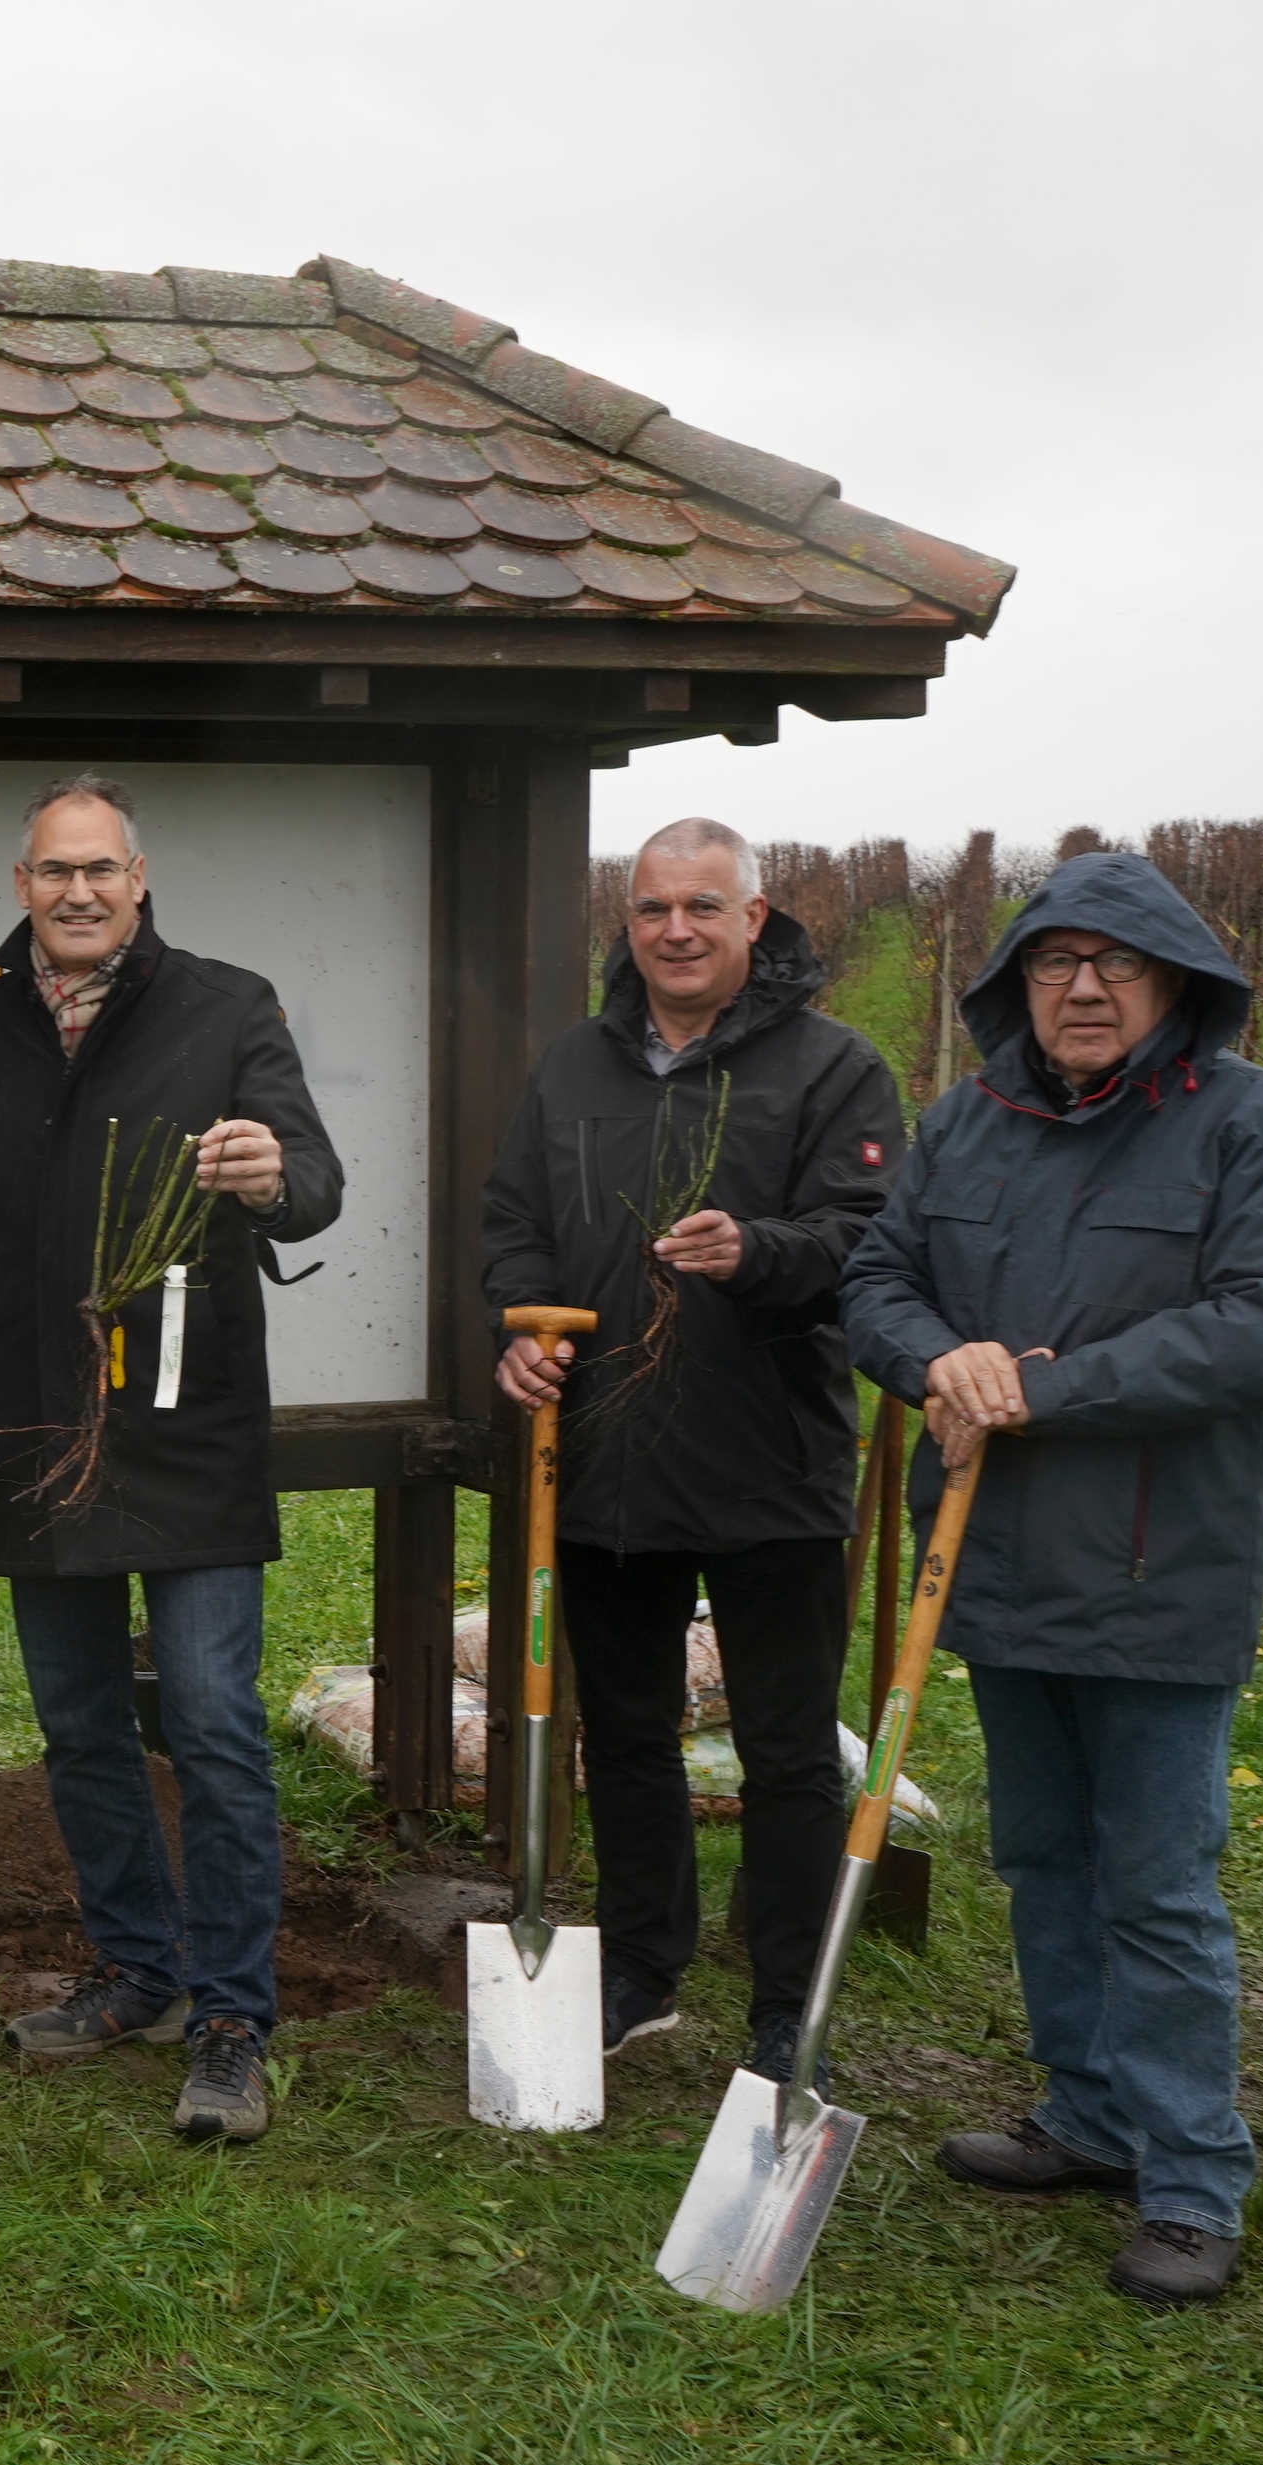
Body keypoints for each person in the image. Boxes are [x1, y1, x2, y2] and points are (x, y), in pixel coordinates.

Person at [839, 849, 1263, 2309]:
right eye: (1053, 965)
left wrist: (1044, 1389)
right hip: (987, 1562)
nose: (1080, 988)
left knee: (1161, 1884)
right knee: (1043, 1861)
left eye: (1112, 966)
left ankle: (1192, 2177)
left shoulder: (1257, 1130)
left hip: (1157, 1571)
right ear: (1017, 986)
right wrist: (936, 1357)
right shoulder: (968, 1123)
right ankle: (1088, 2114)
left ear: (1175, 985)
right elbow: (879, 1280)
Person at [0, 773, 343, 2146]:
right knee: (79, 1721)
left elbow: (313, 1185)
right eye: (51, 872)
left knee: (210, 1720)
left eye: (101, 870)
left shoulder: (227, 1007)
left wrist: (264, 1173)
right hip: (29, 1414)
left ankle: (234, 2016)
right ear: (22, 889)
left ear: (139, 879)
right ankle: (138, 1969)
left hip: (185, 1422)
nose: (77, 893)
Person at [480, 818, 902, 2080]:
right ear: (630, 922)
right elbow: (514, 1221)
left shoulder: (834, 1069)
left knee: (785, 1750)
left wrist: (760, 1252)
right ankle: (642, 1969)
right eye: (655, 907)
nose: (676, 929)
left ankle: (787, 2006)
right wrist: (519, 1330)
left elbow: (873, 1244)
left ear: (754, 919)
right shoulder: (574, 1067)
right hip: (608, 1458)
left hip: (770, 1466)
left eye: (704, 908)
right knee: (627, 1732)